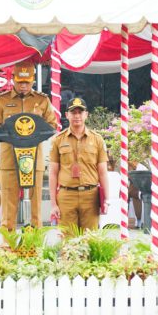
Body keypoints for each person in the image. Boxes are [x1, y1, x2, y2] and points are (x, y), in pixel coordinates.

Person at [0, 60, 57, 230]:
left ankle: (34, 242)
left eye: (27, 82)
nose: (23, 86)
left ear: (33, 80)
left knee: (35, 206)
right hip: (9, 160)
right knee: (9, 205)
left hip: (34, 159)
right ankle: (8, 242)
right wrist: (6, 132)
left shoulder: (42, 100)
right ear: (13, 79)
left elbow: (52, 125)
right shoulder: (2, 100)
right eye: (20, 82)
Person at [49, 97, 109, 233]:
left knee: (90, 238)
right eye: (73, 112)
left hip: (91, 196)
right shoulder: (58, 140)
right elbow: (53, 173)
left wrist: (106, 199)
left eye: (80, 112)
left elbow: (103, 173)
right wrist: (53, 204)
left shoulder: (97, 139)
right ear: (67, 115)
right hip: (66, 196)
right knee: (68, 239)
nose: (77, 116)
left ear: (86, 114)